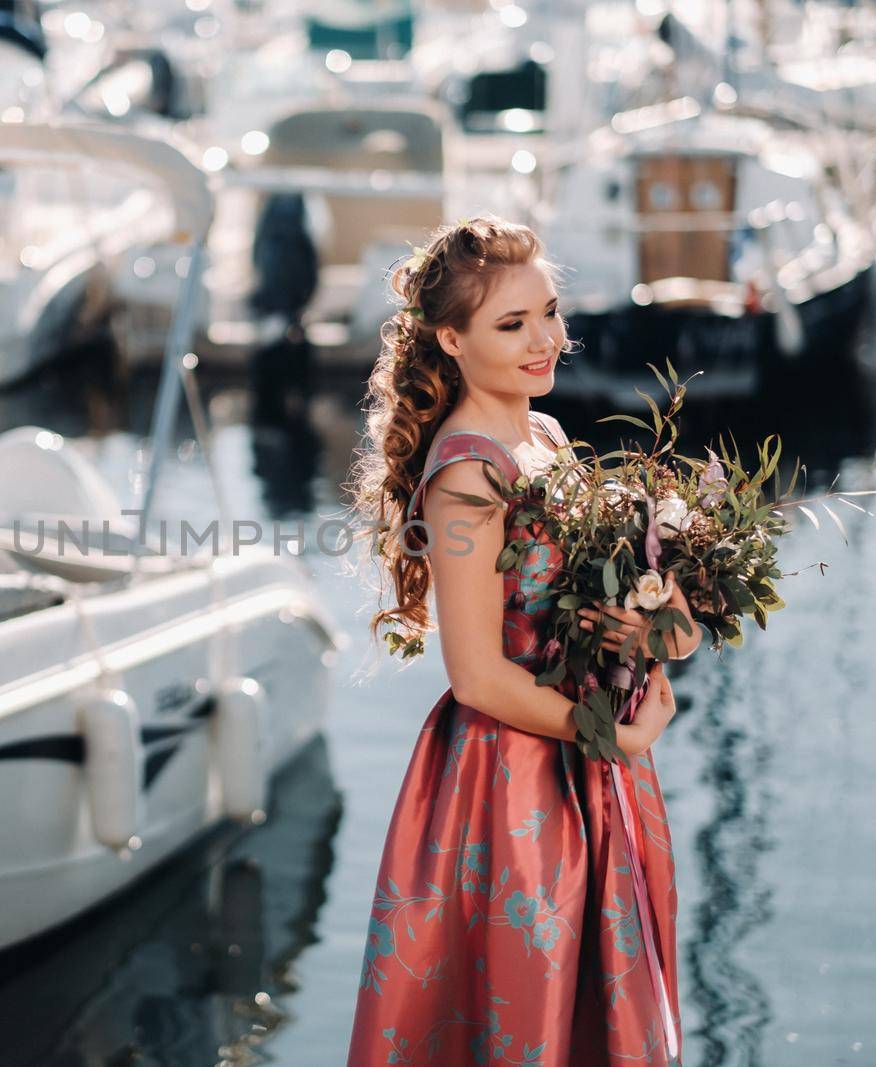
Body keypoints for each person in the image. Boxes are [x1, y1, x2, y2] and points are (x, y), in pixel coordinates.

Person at [344, 215, 700, 1066]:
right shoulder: (467, 472)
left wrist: (658, 637)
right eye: (512, 324)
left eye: (549, 311)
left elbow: (665, 629)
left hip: (600, 768)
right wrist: (611, 731)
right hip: (515, 785)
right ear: (450, 338)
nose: (546, 340)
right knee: (524, 1018)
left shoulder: (541, 439)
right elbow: (476, 675)